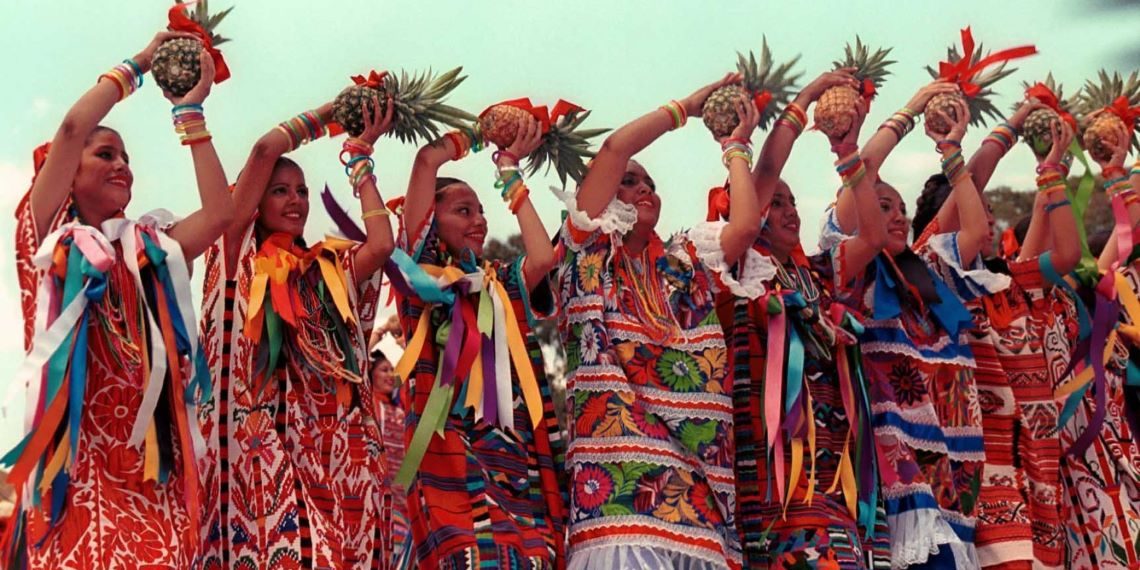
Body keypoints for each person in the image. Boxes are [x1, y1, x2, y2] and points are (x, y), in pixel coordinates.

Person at [4, 32, 231, 568]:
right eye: (105, 155)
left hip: (155, 479)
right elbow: (71, 128)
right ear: (64, 172)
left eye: (126, 158)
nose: (122, 165)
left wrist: (190, 112)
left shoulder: (149, 252)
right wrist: (143, 63)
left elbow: (222, 215)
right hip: (76, 482)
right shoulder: (45, 244)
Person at [555, 74, 771, 570]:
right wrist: (686, 107)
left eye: (650, 183)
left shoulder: (685, 260)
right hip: (619, 484)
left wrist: (735, 146)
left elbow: (744, 226)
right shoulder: (584, 250)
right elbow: (612, 150)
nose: (644, 189)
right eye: (629, 182)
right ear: (604, 195)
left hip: (695, 487)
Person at [197, 95, 394, 568]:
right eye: (280, 191)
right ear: (253, 200)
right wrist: (336, 109)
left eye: (302, 191)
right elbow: (266, 150)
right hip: (248, 469)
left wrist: (360, 157)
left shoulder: (323, 274)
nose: (296, 201)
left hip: (328, 468)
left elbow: (382, 244)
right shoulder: (232, 256)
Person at [827, 86, 1002, 568]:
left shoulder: (930, 270)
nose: (898, 215)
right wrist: (912, 107)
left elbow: (974, 230)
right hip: (899, 465)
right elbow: (859, 180)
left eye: (901, 208)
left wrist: (950, 150)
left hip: (957, 464)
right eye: (884, 206)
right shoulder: (854, 273)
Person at [725, 69, 892, 568]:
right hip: (778, 472)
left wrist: (847, 153)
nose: (789, 211)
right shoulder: (738, 273)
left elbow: (874, 237)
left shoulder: (818, 274)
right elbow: (768, 168)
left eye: (793, 202)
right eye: (775, 204)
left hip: (837, 467)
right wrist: (804, 101)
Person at [390, 114, 566, 568]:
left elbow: (543, 256)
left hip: (512, 447)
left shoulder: (500, 281)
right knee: (470, 554)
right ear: (432, 218)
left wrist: (510, 171)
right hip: (449, 441)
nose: (479, 220)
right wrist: (480, 134)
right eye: (463, 211)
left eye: (481, 210)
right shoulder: (421, 275)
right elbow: (427, 159)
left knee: (530, 557)